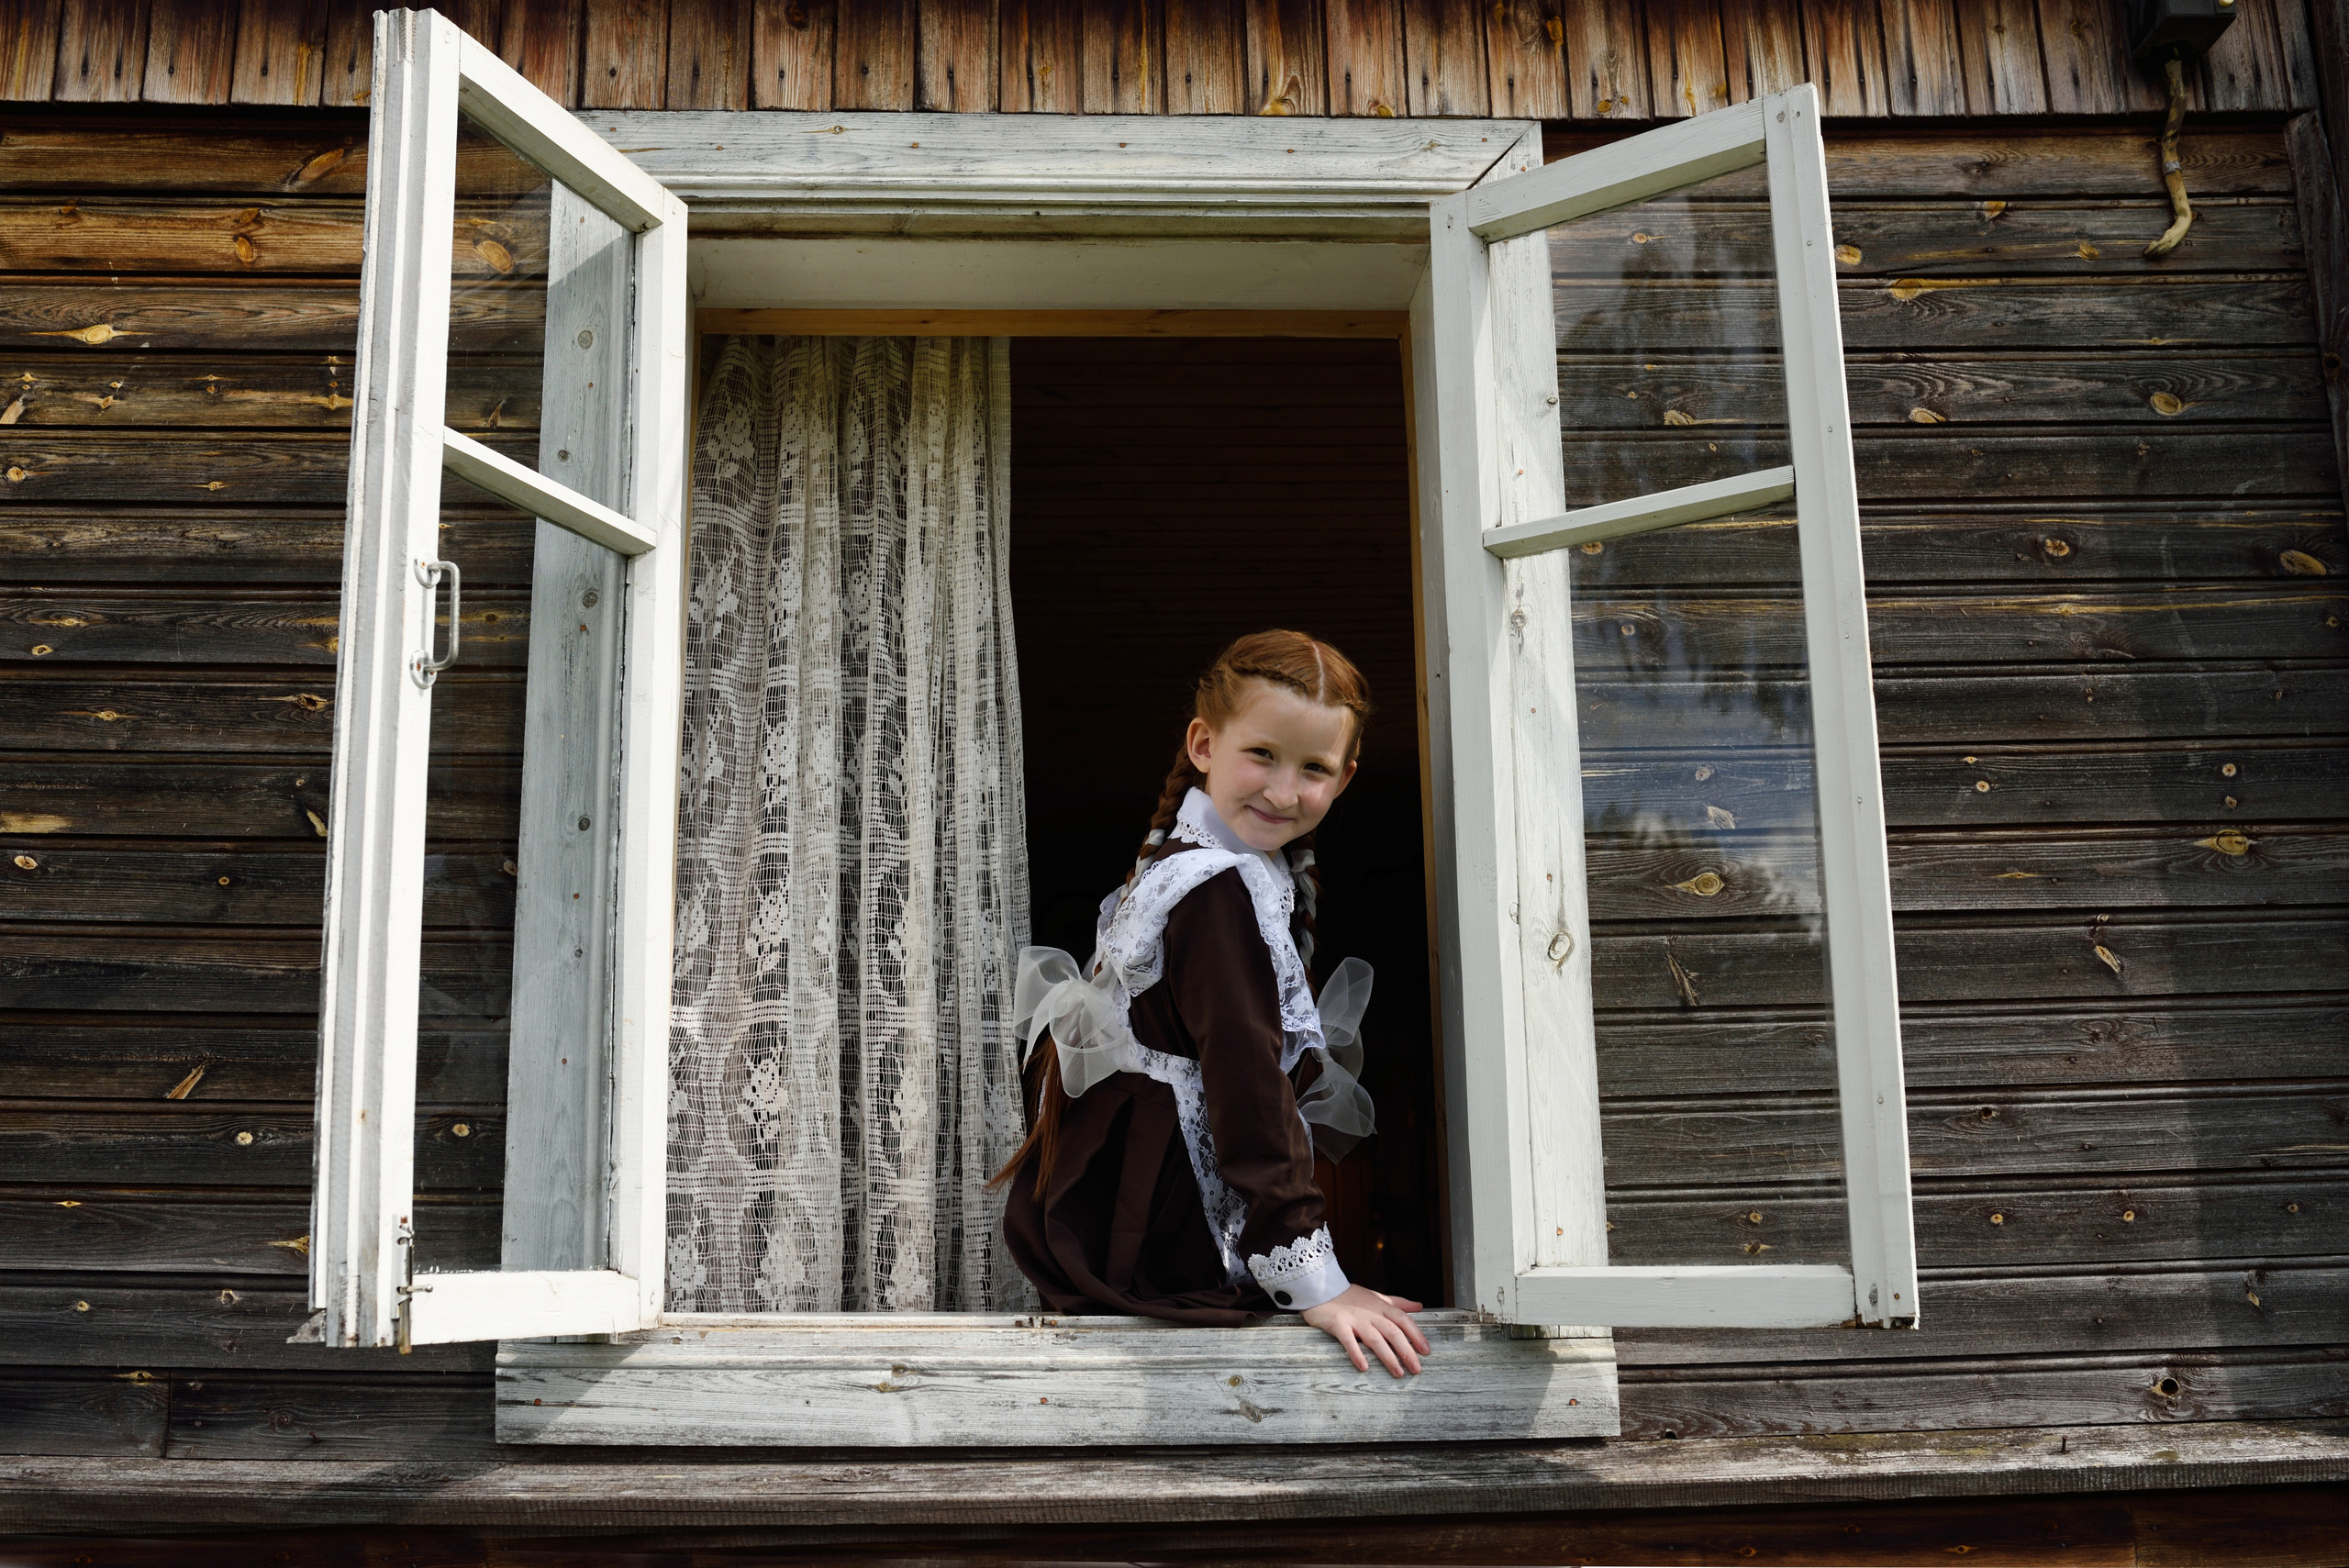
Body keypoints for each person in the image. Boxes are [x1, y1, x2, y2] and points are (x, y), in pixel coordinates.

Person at [996, 630, 1431, 1378]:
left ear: (1346, 776)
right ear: (1203, 742)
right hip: (1163, 1234)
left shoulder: (1189, 868)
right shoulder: (1217, 887)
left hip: (1127, 1226)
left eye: (1314, 768)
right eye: (1261, 754)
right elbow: (1245, 1081)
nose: (1284, 790)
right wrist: (1314, 1281)